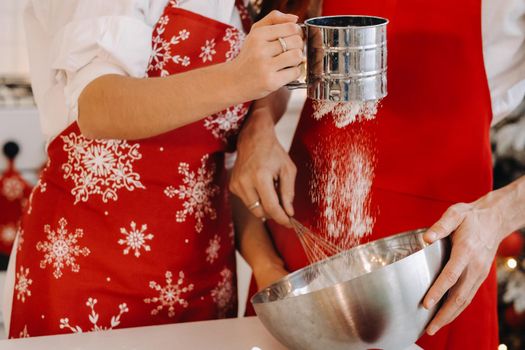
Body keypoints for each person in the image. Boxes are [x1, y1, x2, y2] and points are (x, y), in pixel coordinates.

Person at [231, 0, 525, 348]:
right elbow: (286, 43)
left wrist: (496, 217)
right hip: (307, 243)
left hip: (443, 256)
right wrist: (259, 124)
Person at [3, 0, 305, 338]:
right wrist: (241, 77)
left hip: (203, 289)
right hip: (88, 276)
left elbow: (216, 171)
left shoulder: (240, 10)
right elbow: (98, 107)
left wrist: (267, 267)